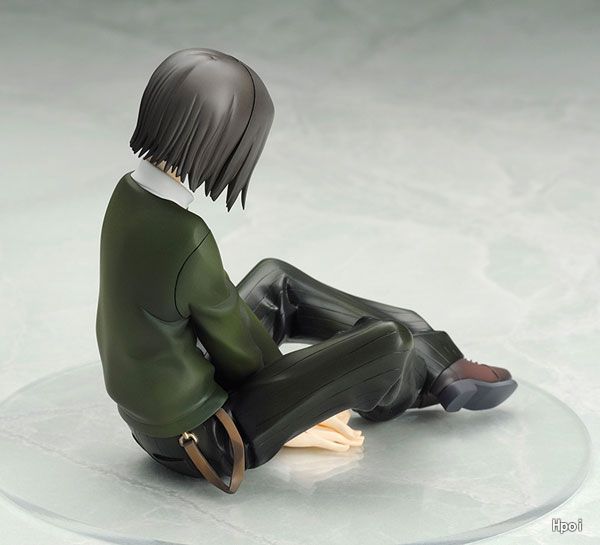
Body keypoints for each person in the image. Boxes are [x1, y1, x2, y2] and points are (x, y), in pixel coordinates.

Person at [96, 48, 517, 494]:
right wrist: (303, 401)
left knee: (275, 280)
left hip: (160, 416)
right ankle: (425, 371)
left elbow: (214, 316)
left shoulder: (128, 197)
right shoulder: (186, 236)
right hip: (207, 438)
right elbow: (240, 353)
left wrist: (301, 382)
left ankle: (437, 356)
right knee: (390, 342)